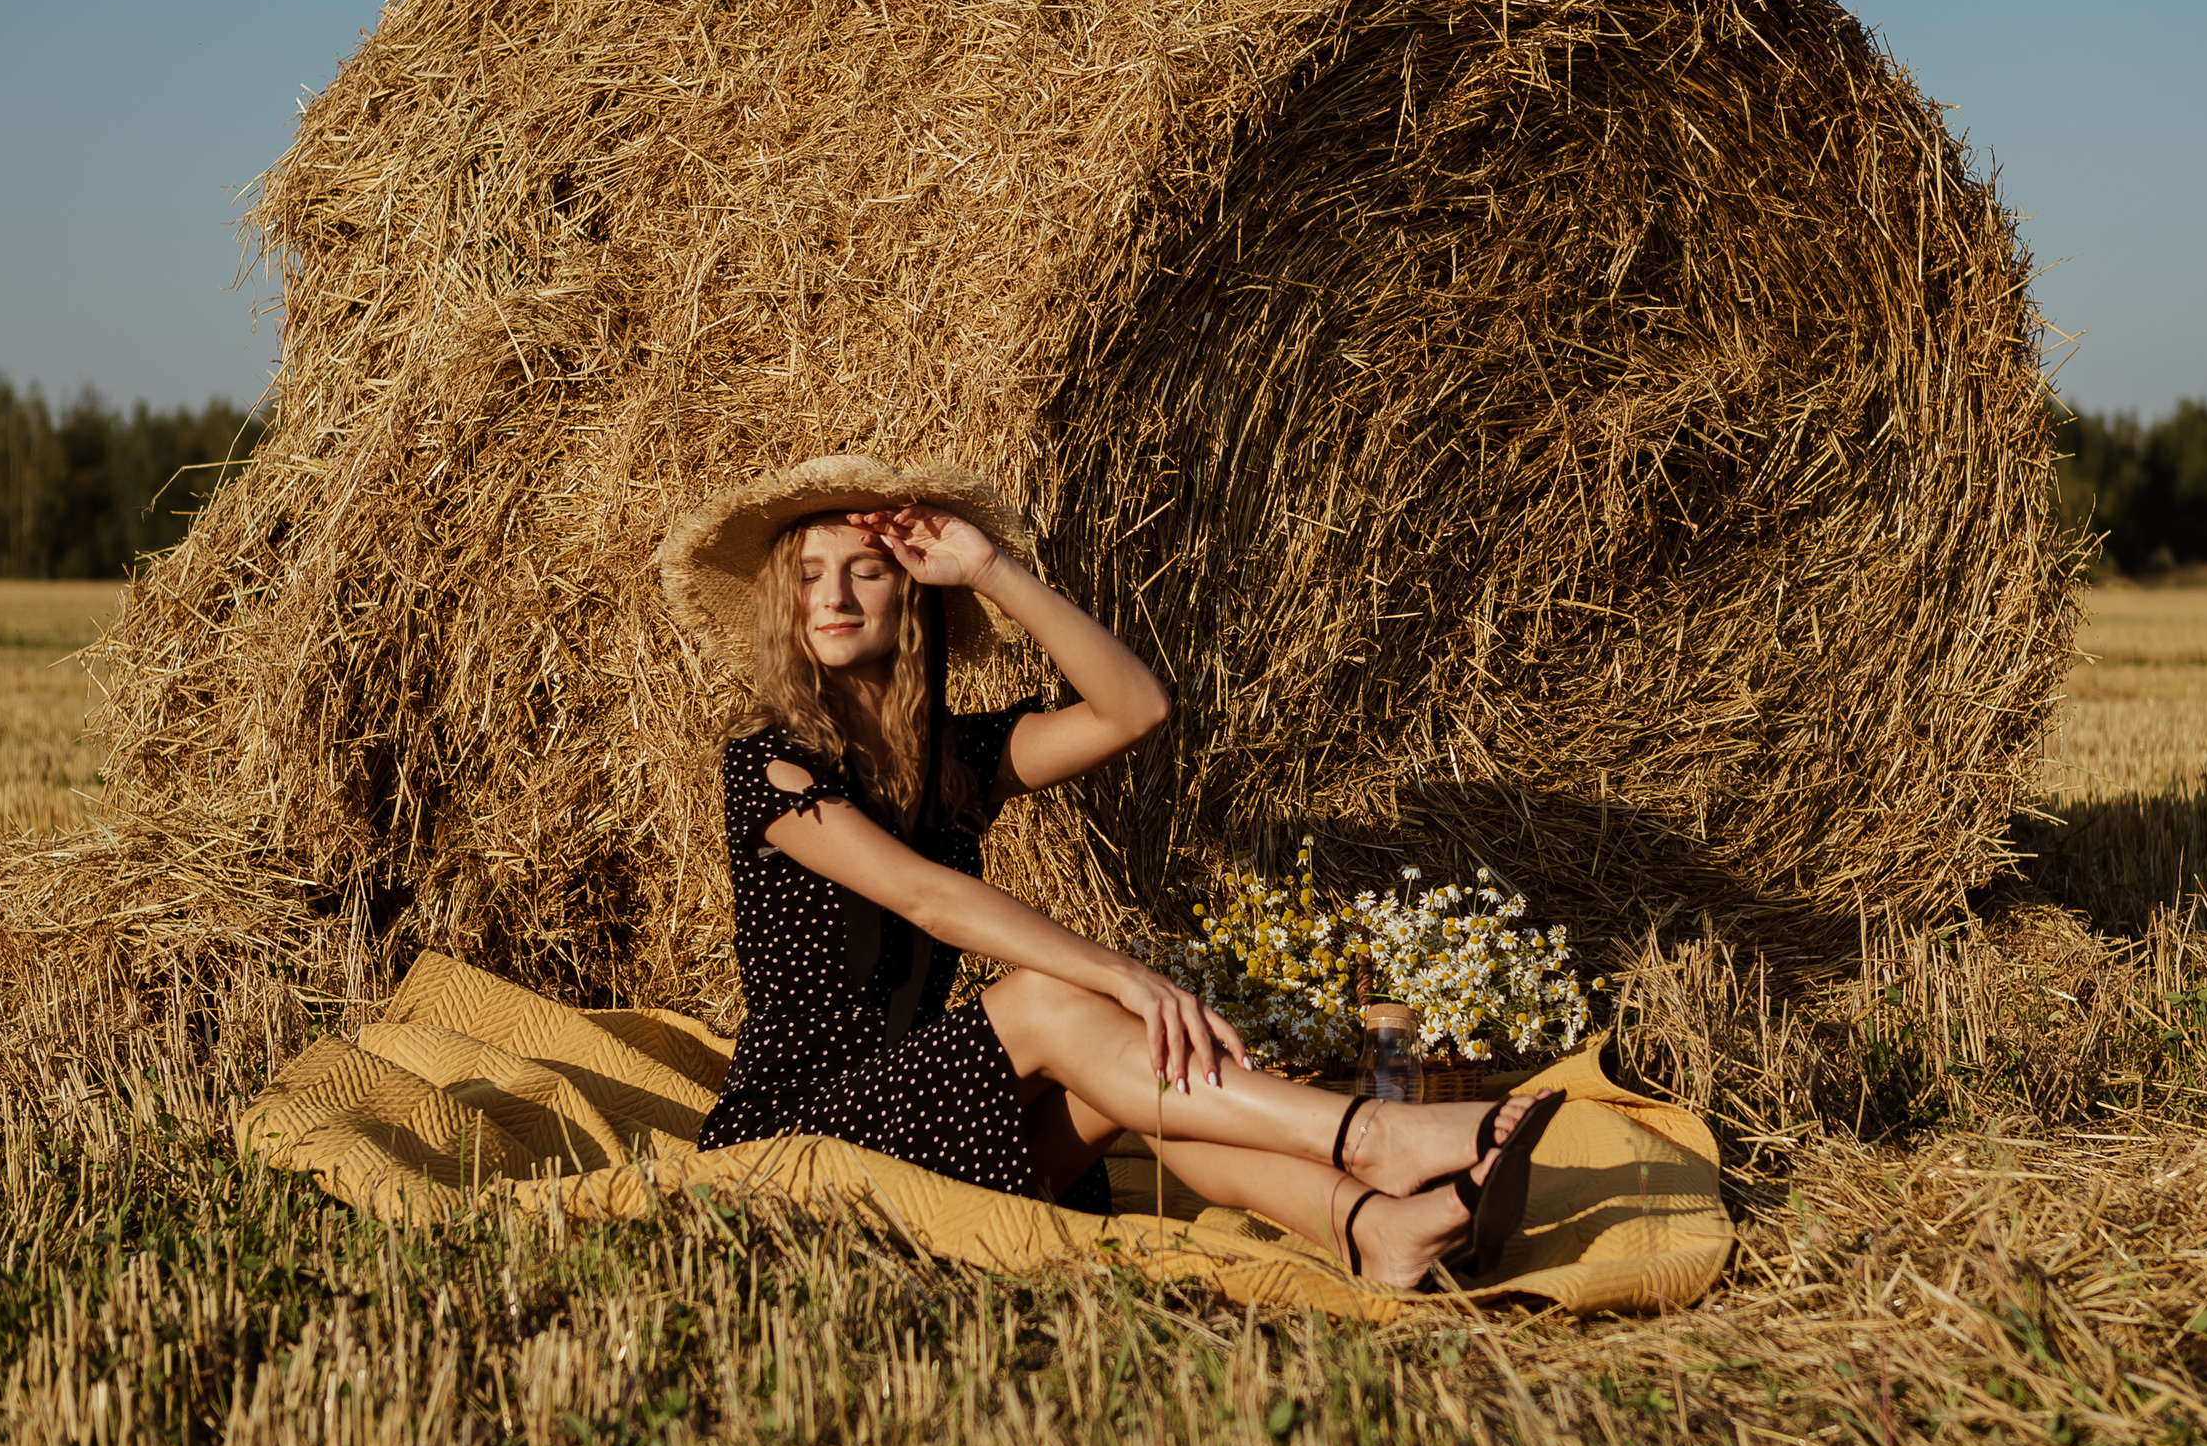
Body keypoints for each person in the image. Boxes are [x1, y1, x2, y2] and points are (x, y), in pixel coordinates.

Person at [657, 454, 1562, 1288]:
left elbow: (1134, 706)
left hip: (923, 1122)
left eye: (868, 569)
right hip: (795, 1145)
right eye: (809, 575)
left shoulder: (956, 756)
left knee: (1125, 1070)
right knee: (1057, 1000)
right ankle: (1371, 1137)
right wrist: (1126, 975)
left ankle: (1371, 1228)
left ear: (909, 594)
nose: (835, 596)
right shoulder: (768, 764)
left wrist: (986, 570)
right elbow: (931, 899)